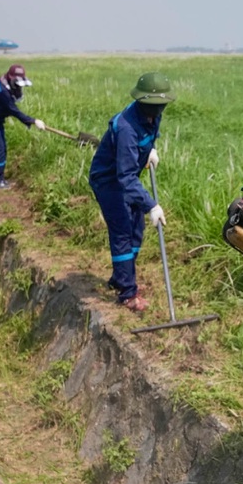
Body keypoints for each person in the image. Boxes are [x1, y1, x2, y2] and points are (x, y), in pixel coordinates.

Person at [88, 72, 174, 311]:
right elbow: (124, 176)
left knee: (137, 226)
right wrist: (151, 205)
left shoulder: (151, 114)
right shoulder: (126, 128)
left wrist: (150, 151)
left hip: (125, 178)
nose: (161, 110)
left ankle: (121, 277)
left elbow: (148, 137)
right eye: (157, 105)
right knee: (123, 230)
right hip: (108, 180)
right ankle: (127, 293)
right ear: (144, 102)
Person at [0, 64, 46, 189]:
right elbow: (13, 110)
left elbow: (15, 101)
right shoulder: (1, 90)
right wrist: (33, 121)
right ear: (11, 78)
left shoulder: (9, 84)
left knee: (2, 148)